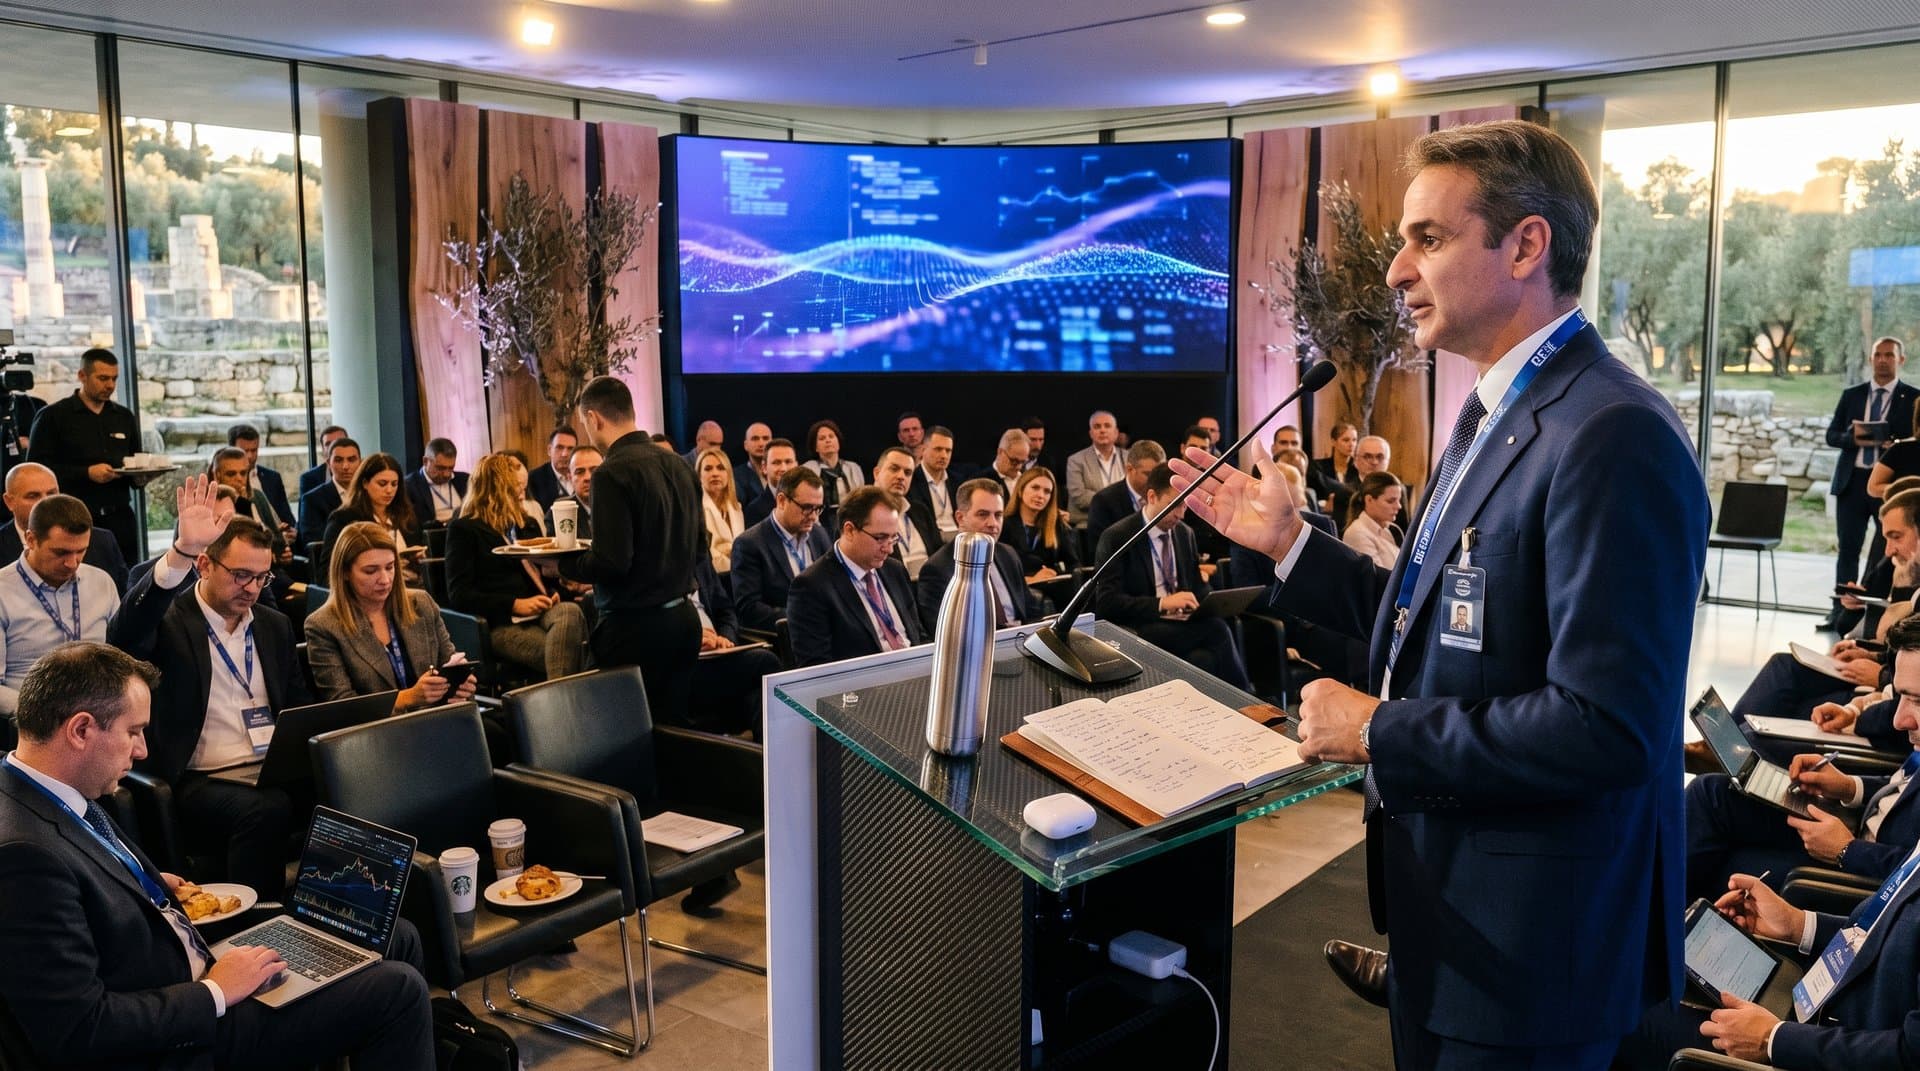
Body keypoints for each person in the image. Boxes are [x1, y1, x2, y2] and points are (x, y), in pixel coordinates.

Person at [1172, 120, 1708, 1066]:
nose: (1394, 271)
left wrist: (1379, 730)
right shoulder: (1496, 410)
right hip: (1455, 931)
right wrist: (1294, 546)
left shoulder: (1610, 433)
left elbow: (1607, 726)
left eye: (1429, 237)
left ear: (1526, 244)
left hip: (1533, 959)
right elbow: (1443, 621)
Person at [0, 641, 434, 1069]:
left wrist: (141, 885)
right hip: (182, 1037)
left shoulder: (43, 786)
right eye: (133, 731)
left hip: (187, 959)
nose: (142, 750)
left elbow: (87, 885)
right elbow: (79, 1030)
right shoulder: (24, 855)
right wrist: (216, 992)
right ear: (80, 730)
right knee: (398, 991)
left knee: (396, 936)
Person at [109, 489, 316, 900]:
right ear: (204, 565)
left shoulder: (273, 626)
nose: (252, 588)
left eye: (262, 577)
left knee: (348, 783)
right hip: (198, 778)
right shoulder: (170, 621)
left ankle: (333, 916)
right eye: (241, 575)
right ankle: (256, 927)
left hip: (268, 768)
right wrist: (181, 551)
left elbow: (299, 706)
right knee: (266, 809)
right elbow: (124, 635)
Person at [1686, 617, 1920, 906]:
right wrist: (1849, 787)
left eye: (1918, 701)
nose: (1900, 720)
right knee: (1711, 793)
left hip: (1864, 875)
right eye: (1902, 699)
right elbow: (1905, 787)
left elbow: (1914, 876)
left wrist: (1847, 850)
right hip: (1857, 827)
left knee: (1724, 870)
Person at [1614, 849, 1920, 1070]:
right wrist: (1798, 925)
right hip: (1816, 1005)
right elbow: (1881, 931)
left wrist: (1772, 1040)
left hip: (1820, 1048)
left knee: (1616, 995)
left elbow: (1909, 1054)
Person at [559, 377, 704, 724]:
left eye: (586, 424)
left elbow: (612, 562)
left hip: (636, 632)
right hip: (685, 623)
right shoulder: (680, 464)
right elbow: (701, 548)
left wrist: (565, 564)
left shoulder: (611, 473)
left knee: (625, 736)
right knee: (674, 734)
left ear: (593, 418)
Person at [1093, 463, 1250, 690]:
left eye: (1184, 506)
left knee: (1217, 636)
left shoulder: (1184, 534)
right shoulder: (1118, 537)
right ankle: (1248, 698)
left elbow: (1196, 586)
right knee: (1217, 629)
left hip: (1180, 621)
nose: (1180, 514)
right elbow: (1107, 604)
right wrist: (1162, 604)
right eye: (1173, 505)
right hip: (1142, 625)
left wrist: (1208, 602)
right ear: (1151, 496)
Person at [304, 521, 478, 715]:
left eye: (390, 567)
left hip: (435, 719)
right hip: (377, 735)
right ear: (344, 572)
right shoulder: (323, 625)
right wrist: (408, 697)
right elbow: (344, 706)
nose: (385, 579)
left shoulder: (421, 603)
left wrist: (460, 689)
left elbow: (449, 663)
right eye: (371, 571)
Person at [445, 454, 586, 682]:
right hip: (501, 622)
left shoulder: (526, 524)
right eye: (517, 489)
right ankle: (564, 704)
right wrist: (514, 605)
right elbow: (459, 594)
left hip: (541, 609)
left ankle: (559, 704)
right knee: (567, 654)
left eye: (523, 488)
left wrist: (555, 590)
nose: (523, 495)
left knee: (571, 611)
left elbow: (541, 572)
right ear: (496, 490)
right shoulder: (464, 530)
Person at [0, 494, 119, 718]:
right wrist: (45, 714)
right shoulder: (3, 591)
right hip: (27, 723)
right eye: (61, 552)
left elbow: (120, 656)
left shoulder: (101, 582)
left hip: (99, 716)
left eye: (81, 551)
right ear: (31, 539)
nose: (72, 563)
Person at [1827, 337, 1917, 630]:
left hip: (1890, 488)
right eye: (1877, 354)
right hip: (1853, 481)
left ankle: (1873, 612)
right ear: (1870, 359)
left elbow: (1911, 438)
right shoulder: (1852, 394)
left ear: (1900, 360)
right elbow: (1832, 435)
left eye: (1889, 355)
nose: (1882, 360)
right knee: (1848, 548)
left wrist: (1892, 442)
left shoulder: (1912, 397)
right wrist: (1851, 438)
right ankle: (1839, 610)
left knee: (1888, 550)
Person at [785, 486, 925, 667]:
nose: (889, 549)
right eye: (880, 538)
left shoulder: (895, 570)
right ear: (850, 530)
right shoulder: (811, 586)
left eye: (893, 538)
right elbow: (817, 669)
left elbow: (918, 636)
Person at [25, 347, 139, 562]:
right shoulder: (53, 416)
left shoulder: (124, 417)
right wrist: (86, 473)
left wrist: (142, 476)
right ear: (82, 376)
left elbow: (135, 460)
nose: (110, 385)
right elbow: (36, 470)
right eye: (103, 378)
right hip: (72, 520)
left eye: (114, 379)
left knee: (126, 581)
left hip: (120, 517)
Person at [914, 478, 1035, 635]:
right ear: (960, 518)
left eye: (998, 515)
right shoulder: (937, 569)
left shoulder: (1008, 554)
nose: (993, 524)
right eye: (983, 514)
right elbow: (944, 634)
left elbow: (1031, 611)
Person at [0, 462, 127, 592]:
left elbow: (124, 602)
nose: (45, 502)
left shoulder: (102, 541)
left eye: (51, 493)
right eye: (33, 496)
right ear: (9, 501)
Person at [731, 467, 831, 632]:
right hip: (786, 636)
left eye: (818, 508)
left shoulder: (818, 534)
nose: (814, 516)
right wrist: (802, 619)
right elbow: (748, 609)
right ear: (782, 501)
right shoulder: (749, 544)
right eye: (807, 508)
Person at [317, 452, 424, 586]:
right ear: (365, 483)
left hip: (411, 585)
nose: (389, 490)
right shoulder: (344, 518)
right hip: (369, 591)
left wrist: (417, 560)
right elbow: (327, 574)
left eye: (394, 484)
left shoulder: (405, 515)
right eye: (382, 483)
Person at [1086, 440, 1166, 549]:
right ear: (1129, 469)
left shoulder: (1166, 498)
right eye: (1148, 474)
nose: (1155, 481)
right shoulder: (1103, 502)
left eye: (1159, 475)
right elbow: (1100, 551)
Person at [1002, 466, 1078, 581]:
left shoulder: (1056, 524)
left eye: (1047, 491)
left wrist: (1055, 574)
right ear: (1021, 490)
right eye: (1035, 488)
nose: (1041, 496)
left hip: (1050, 586)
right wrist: (1032, 579)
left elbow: (1073, 564)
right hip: (1016, 587)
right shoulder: (1004, 524)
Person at [872, 446, 935, 579]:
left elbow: (937, 552)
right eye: (894, 469)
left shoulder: (920, 510)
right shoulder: (862, 513)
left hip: (928, 585)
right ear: (877, 473)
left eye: (907, 472)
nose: (901, 476)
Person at [227, 423, 295, 534]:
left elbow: (287, 517)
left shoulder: (273, 478)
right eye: (244, 451)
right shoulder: (226, 483)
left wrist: (291, 531)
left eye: (253, 450)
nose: (249, 456)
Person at [298, 436, 361, 547]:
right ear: (328, 463)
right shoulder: (312, 499)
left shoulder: (369, 493)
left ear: (360, 462)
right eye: (338, 460)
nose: (345, 466)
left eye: (351, 460)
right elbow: (313, 542)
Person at [1064, 409, 1123, 527]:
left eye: (1107, 426)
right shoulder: (1076, 460)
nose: (1102, 430)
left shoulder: (1128, 458)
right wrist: (1114, 502)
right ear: (1091, 433)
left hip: (1123, 522)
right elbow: (1079, 496)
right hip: (1089, 523)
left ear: (1116, 432)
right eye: (1097, 426)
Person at [696, 446, 746, 579]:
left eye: (720, 468)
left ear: (728, 473)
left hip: (737, 576)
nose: (715, 473)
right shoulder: (696, 509)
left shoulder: (737, 508)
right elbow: (708, 553)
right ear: (699, 476)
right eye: (708, 469)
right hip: (712, 579)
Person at [1342, 471, 1405, 570]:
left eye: (1399, 500)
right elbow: (1378, 579)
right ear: (1369, 500)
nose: (1399, 506)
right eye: (1391, 501)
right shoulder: (1357, 534)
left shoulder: (1388, 530)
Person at [907, 426, 960, 543]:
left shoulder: (957, 480)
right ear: (923, 449)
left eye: (948, 450)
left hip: (959, 535)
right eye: (938, 449)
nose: (944, 455)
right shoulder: (911, 481)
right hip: (932, 539)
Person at [803, 419, 863, 517]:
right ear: (816, 447)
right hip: (818, 520)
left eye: (831, 436)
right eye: (822, 438)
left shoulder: (853, 468)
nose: (828, 440)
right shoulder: (808, 469)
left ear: (838, 442)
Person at [404, 437, 469, 526]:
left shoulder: (465, 480)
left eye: (451, 468)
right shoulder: (409, 486)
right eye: (440, 468)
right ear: (425, 461)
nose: (446, 474)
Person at [547, 445, 601, 540]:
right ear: (570, 478)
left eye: (594, 470)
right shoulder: (559, 512)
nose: (588, 477)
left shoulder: (619, 508)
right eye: (579, 472)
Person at [743, 437, 800, 528]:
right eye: (777, 462)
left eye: (788, 462)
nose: (783, 468)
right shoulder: (753, 510)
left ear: (796, 466)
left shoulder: (808, 503)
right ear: (764, 467)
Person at [1307, 421, 1361, 511]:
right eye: (1346, 440)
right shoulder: (1318, 468)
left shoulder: (1358, 469)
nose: (1351, 444)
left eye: (1354, 440)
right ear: (1333, 441)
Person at [527, 425, 576, 511]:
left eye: (570, 449)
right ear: (549, 450)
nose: (565, 454)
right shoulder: (534, 479)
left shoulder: (583, 475)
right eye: (560, 447)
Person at [297, 424, 349, 500]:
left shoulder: (363, 473)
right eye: (328, 444)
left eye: (338, 442)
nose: (333, 447)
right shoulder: (309, 479)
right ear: (323, 450)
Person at [733, 422, 774, 501]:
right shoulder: (735, 476)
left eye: (765, 438)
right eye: (755, 439)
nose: (761, 444)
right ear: (746, 445)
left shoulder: (781, 472)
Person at [988, 428, 1032, 500]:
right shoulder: (980, 481)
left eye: (1023, 462)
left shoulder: (1028, 480)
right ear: (1000, 452)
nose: (1019, 467)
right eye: (1014, 461)